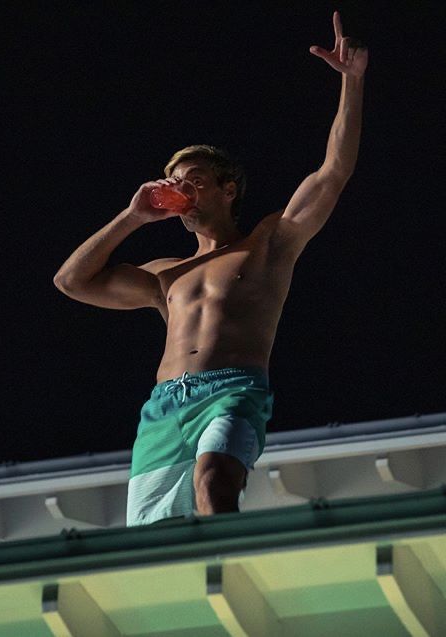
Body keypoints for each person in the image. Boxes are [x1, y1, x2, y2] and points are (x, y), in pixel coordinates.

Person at [53, 11, 368, 526]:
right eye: (175, 180)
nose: (183, 188)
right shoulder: (164, 275)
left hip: (233, 388)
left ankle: (228, 564)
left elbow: (332, 173)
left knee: (214, 481)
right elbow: (71, 282)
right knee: (151, 537)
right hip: (163, 407)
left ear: (227, 189)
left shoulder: (269, 243)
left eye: (195, 179)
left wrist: (351, 83)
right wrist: (132, 216)